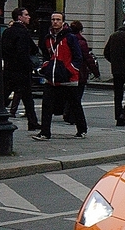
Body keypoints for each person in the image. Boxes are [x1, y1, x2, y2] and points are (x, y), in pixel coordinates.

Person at [32, 12, 87, 141]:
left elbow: (78, 56)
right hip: (52, 78)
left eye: (58, 19)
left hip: (68, 79)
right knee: (47, 106)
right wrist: (46, 67)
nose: (55, 22)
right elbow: (46, 55)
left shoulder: (70, 38)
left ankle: (82, 129)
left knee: (75, 104)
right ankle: (45, 132)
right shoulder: (47, 38)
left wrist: (70, 70)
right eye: (53, 19)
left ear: (63, 22)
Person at [0, 7, 41, 130]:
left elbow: (3, 49)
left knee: (4, 95)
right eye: (26, 15)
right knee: (28, 98)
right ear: (19, 17)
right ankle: (32, 122)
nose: (29, 17)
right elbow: (28, 50)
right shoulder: (22, 32)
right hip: (21, 70)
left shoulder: (7, 32)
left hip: (9, 68)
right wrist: (29, 64)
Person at [63, 20, 100, 124]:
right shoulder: (81, 42)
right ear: (80, 30)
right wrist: (95, 72)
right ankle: (73, 117)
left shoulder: (66, 39)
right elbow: (88, 58)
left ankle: (67, 114)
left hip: (69, 70)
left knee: (71, 94)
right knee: (77, 95)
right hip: (80, 72)